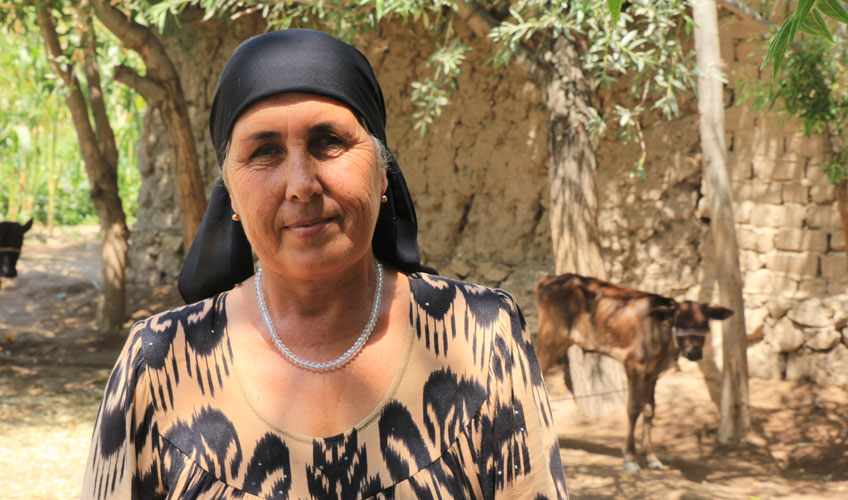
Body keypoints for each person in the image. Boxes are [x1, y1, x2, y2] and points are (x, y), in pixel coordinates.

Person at [81, 29, 568, 499]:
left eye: (329, 142)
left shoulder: (482, 338)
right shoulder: (159, 365)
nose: (301, 185)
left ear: (382, 171)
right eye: (265, 152)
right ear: (229, 189)